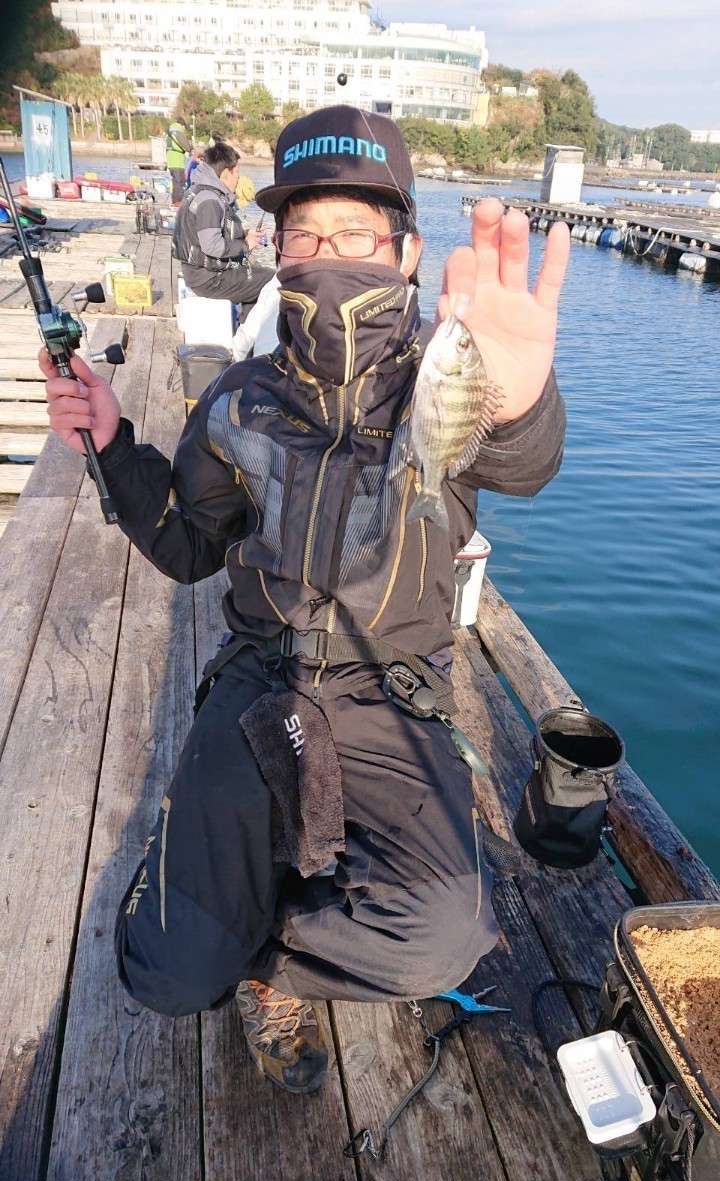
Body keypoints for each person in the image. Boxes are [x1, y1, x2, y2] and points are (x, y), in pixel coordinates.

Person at [40, 105, 570, 1097]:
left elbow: (521, 458)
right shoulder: (238, 397)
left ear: (407, 250)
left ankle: (267, 954)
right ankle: (220, 908)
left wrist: (522, 401)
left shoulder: (446, 369)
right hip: (258, 680)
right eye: (305, 233)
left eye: (357, 233)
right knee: (161, 975)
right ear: (275, 247)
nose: (329, 254)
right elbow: (191, 544)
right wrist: (113, 445)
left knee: (439, 936)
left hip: (395, 694)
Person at [172, 141, 274, 312]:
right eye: (237, 174)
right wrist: (246, 244)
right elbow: (212, 246)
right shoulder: (210, 200)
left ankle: (247, 330)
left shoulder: (199, 191)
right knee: (272, 281)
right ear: (226, 173)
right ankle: (250, 333)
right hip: (209, 280)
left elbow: (210, 234)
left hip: (201, 274)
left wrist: (246, 235)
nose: (238, 179)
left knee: (258, 275)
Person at [166, 119, 193, 206]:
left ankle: (174, 202)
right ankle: (178, 204)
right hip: (177, 162)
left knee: (175, 184)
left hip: (171, 162)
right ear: (183, 126)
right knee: (180, 184)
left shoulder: (169, 133)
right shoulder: (177, 132)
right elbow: (187, 147)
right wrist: (191, 146)